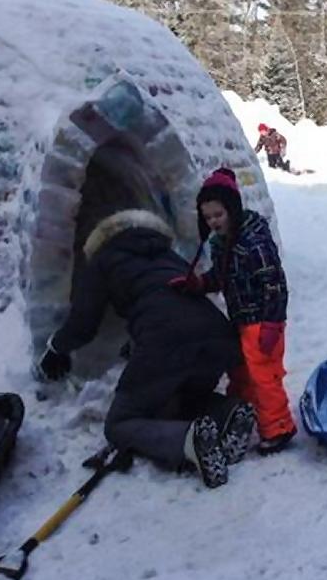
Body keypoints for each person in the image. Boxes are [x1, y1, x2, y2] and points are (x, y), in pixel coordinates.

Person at [36, 209, 252, 489]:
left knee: (120, 423)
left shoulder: (104, 260)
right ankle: (228, 411)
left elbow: (84, 323)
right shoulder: (167, 254)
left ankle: (188, 441)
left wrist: (56, 348)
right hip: (217, 335)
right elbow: (162, 298)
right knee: (180, 399)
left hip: (167, 339)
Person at [171, 168, 297, 455]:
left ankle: (279, 428)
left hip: (263, 322)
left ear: (232, 209)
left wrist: (273, 323)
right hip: (242, 320)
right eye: (208, 217)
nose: (213, 221)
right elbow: (222, 277)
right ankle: (242, 413)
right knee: (241, 372)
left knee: (265, 376)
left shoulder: (254, 241)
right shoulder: (221, 243)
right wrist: (199, 283)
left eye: (219, 214)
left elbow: (274, 282)